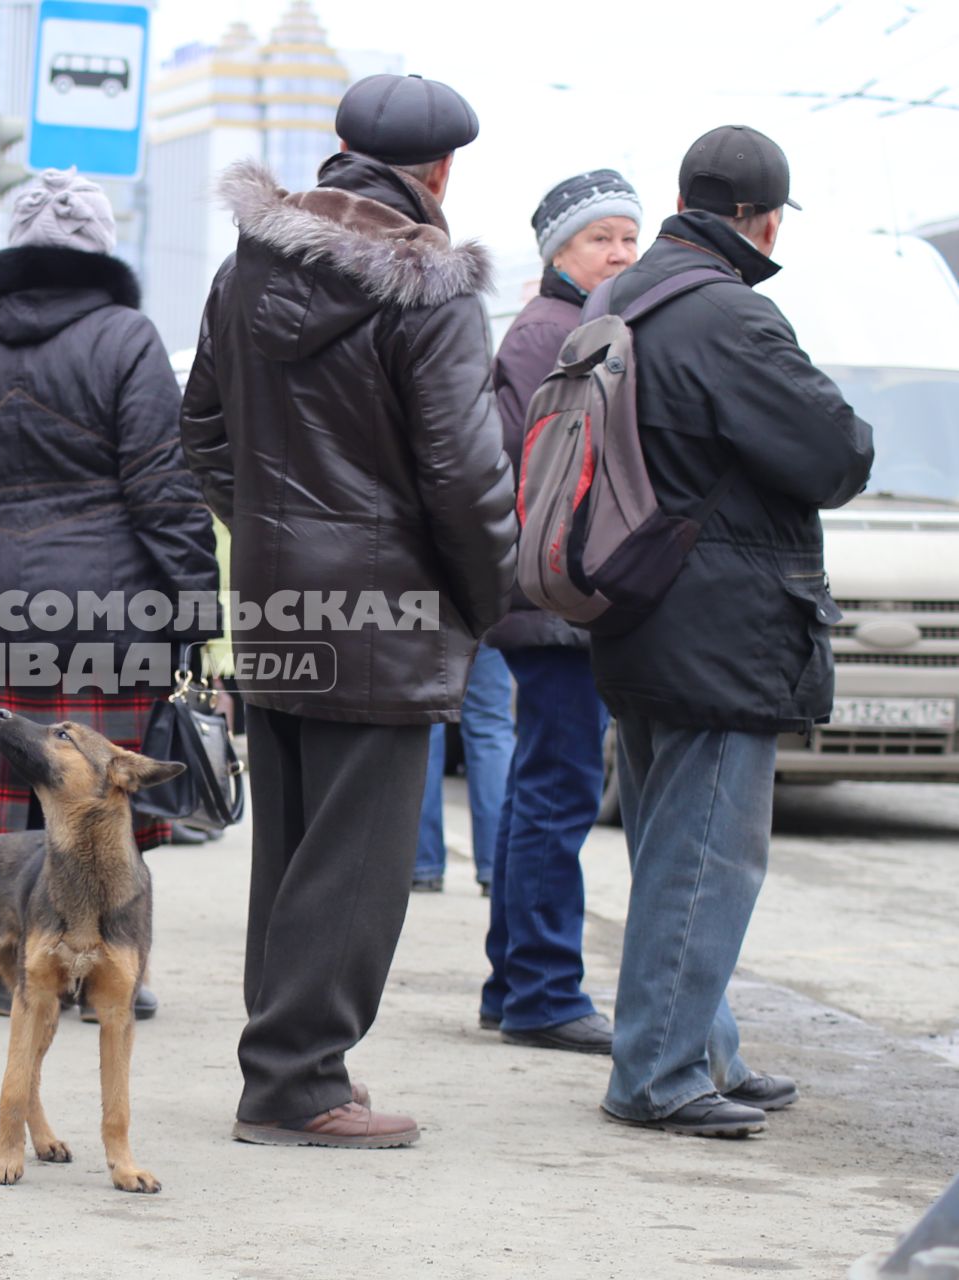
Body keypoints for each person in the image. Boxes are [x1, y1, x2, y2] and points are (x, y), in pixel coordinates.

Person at [181, 72, 516, 1149]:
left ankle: (289, 1056)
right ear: (440, 171)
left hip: (275, 595)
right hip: (384, 608)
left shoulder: (245, 267)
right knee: (358, 857)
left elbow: (202, 432)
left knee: (291, 842)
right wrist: (485, 592)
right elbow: (465, 477)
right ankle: (292, 1081)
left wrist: (272, 530)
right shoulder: (429, 290)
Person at [591, 127, 873, 1137]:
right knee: (709, 855)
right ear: (762, 218)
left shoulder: (618, 298)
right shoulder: (730, 315)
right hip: (718, 619)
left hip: (633, 603)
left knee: (674, 845)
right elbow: (835, 451)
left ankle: (704, 1047)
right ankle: (658, 1072)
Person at [0, 167, 219, 1021]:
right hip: (112, 615)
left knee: (18, 801)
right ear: (100, 249)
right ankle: (108, 976)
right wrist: (197, 611)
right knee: (104, 806)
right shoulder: (127, 338)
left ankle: (18, 973)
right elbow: (164, 492)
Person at [478, 171, 641, 1056]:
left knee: (543, 784)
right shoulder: (560, 332)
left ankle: (514, 982)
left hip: (545, 592)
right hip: (558, 593)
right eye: (599, 240)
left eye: (627, 237)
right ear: (557, 253)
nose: (618, 254)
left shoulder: (562, 324)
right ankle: (541, 988)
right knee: (559, 790)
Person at [413, 643, 512, 894]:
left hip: (426, 613)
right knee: (490, 725)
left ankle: (424, 864)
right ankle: (496, 867)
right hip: (487, 617)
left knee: (426, 720)